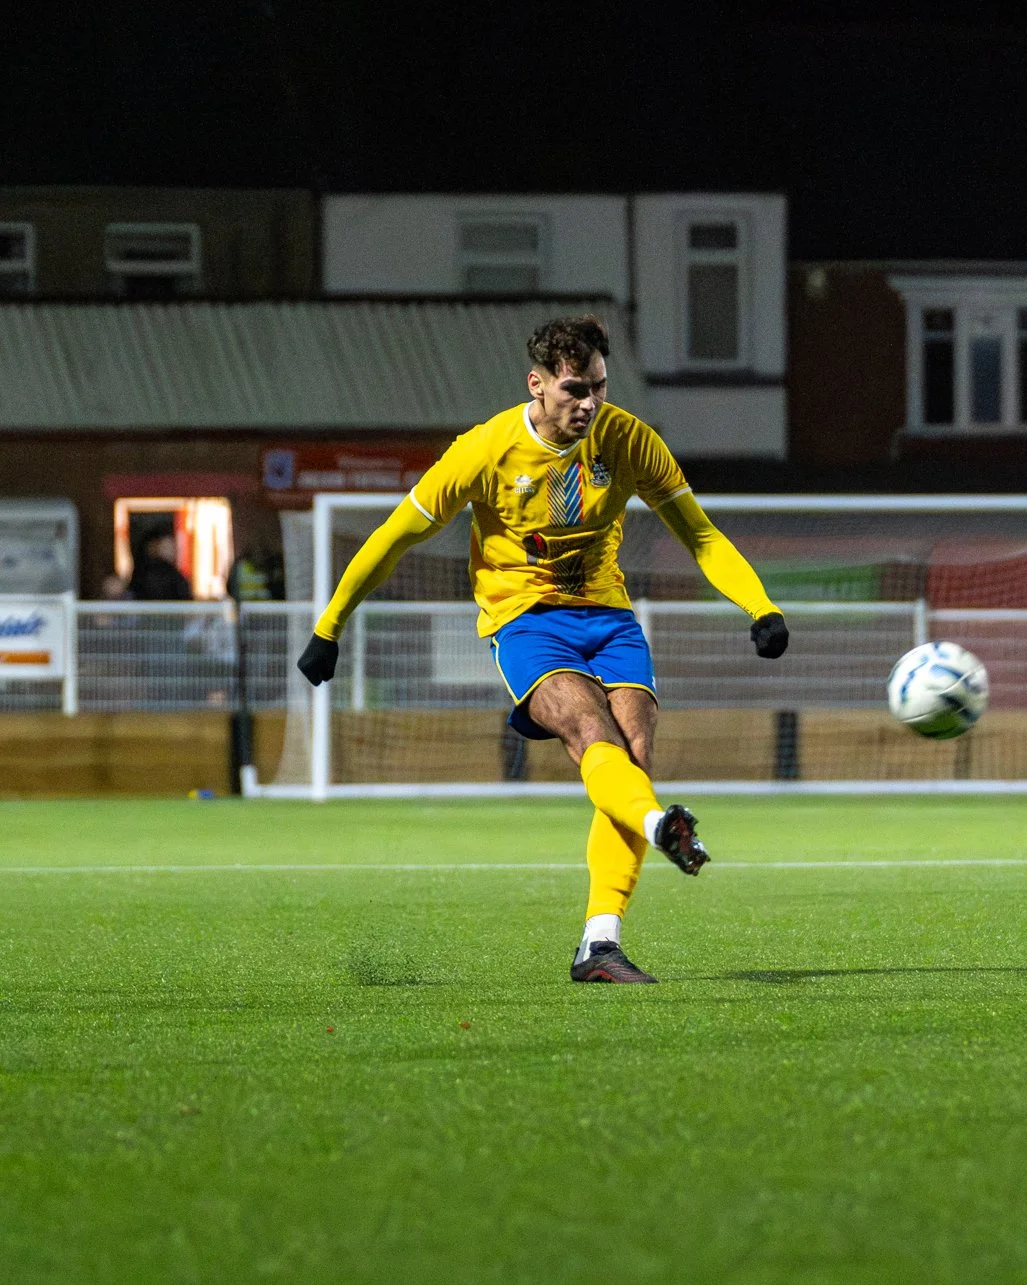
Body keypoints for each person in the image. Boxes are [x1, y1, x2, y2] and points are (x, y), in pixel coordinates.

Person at [296, 315, 788, 984]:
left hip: (608, 615)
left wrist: (760, 606)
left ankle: (599, 943)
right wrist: (330, 625)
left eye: (599, 388)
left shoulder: (628, 440)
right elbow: (394, 535)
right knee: (589, 727)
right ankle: (657, 824)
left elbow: (700, 535)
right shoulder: (486, 449)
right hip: (525, 618)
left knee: (635, 751)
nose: (589, 403)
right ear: (538, 384)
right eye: (574, 389)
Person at [130, 526, 194, 601]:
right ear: (152, 547)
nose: (173, 551)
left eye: (173, 547)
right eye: (166, 547)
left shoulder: (175, 575)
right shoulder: (144, 573)